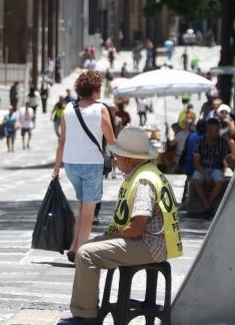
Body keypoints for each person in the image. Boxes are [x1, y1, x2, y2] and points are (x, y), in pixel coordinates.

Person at [56, 127, 182, 325]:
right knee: (90, 248)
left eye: (117, 156)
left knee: (86, 253)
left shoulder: (143, 182)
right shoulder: (149, 173)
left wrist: (105, 239)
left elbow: (137, 228)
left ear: (129, 159)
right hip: (156, 242)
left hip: (150, 244)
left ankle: (85, 317)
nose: (115, 161)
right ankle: (86, 311)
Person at [52, 70, 117, 263]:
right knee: (89, 211)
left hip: (71, 164)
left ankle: (74, 246)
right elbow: (111, 140)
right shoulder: (101, 109)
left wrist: (56, 168)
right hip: (91, 164)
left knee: (82, 206)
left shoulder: (68, 109)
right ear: (95, 89)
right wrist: (122, 159)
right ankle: (81, 251)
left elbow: (61, 141)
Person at [191, 117, 232, 217]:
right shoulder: (200, 142)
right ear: (209, 130)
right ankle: (208, 207)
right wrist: (205, 175)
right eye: (216, 130)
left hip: (216, 169)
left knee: (219, 182)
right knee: (195, 180)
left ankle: (207, 206)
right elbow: (196, 163)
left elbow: (228, 160)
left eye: (218, 130)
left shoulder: (222, 142)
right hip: (202, 168)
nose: (218, 132)